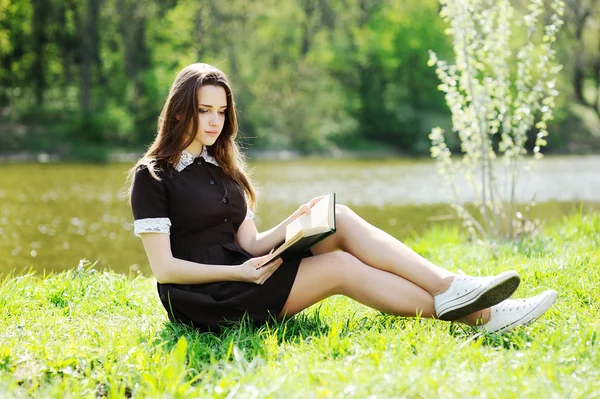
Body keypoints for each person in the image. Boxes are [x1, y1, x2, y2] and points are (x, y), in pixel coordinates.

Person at [127, 63, 557, 334]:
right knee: (340, 267)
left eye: (222, 112)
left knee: (339, 218)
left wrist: (294, 222)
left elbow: (252, 244)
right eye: (205, 110)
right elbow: (164, 269)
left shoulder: (221, 167)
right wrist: (240, 274)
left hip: (245, 270)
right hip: (208, 300)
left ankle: (452, 288)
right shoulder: (153, 177)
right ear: (181, 110)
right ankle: (481, 316)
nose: (215, 121)